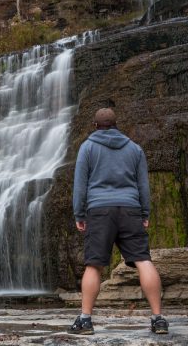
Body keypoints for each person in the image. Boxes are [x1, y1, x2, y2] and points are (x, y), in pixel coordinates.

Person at [68, 108, 168, 335]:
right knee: (143, 261)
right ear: (116, 125)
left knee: (94, 265)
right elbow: (143, 185)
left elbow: (80, 186)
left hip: (99, 210)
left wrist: (79, 214)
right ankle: (158, 319)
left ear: (95, 126)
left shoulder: (88, 147)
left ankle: (85, 321)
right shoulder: (135, 149)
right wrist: (145, 214)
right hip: (130, 209)